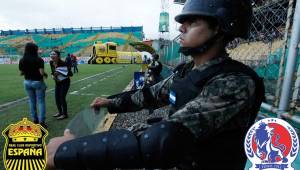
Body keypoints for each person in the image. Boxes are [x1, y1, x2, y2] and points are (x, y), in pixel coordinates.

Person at [46, 0, 265, 169]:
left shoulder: (234, 82)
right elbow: (150, 95)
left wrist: (69, 151)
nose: (181, 29)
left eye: (193, 22)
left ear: (219, 28)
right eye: (182, 23)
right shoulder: (187, 71)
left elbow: (163, 139)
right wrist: (111, 103)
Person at [19, 42, 48, 128]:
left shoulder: (22, 60)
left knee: (32, 101)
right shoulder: (39, 59)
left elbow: (21, 73)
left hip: (27, 82)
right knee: (41, 102)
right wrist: (45, 74)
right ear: (35, 50)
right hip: (37, 82)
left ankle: (35, 120)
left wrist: (28, 71)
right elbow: (41, 72)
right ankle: (41, 122)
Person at [50, 50, 72, 120]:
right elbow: (53, 72)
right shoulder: (51, 62)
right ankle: (60, 112)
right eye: (51, 54)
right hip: (57, 82)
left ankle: (65, 114)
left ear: (58, 56)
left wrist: (60, 73)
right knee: (57, 98)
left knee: (62, 97)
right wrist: (52, 76)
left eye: (54, 54)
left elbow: (70, 74)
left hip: (65, 82)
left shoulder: (63, 63)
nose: (52, 55)